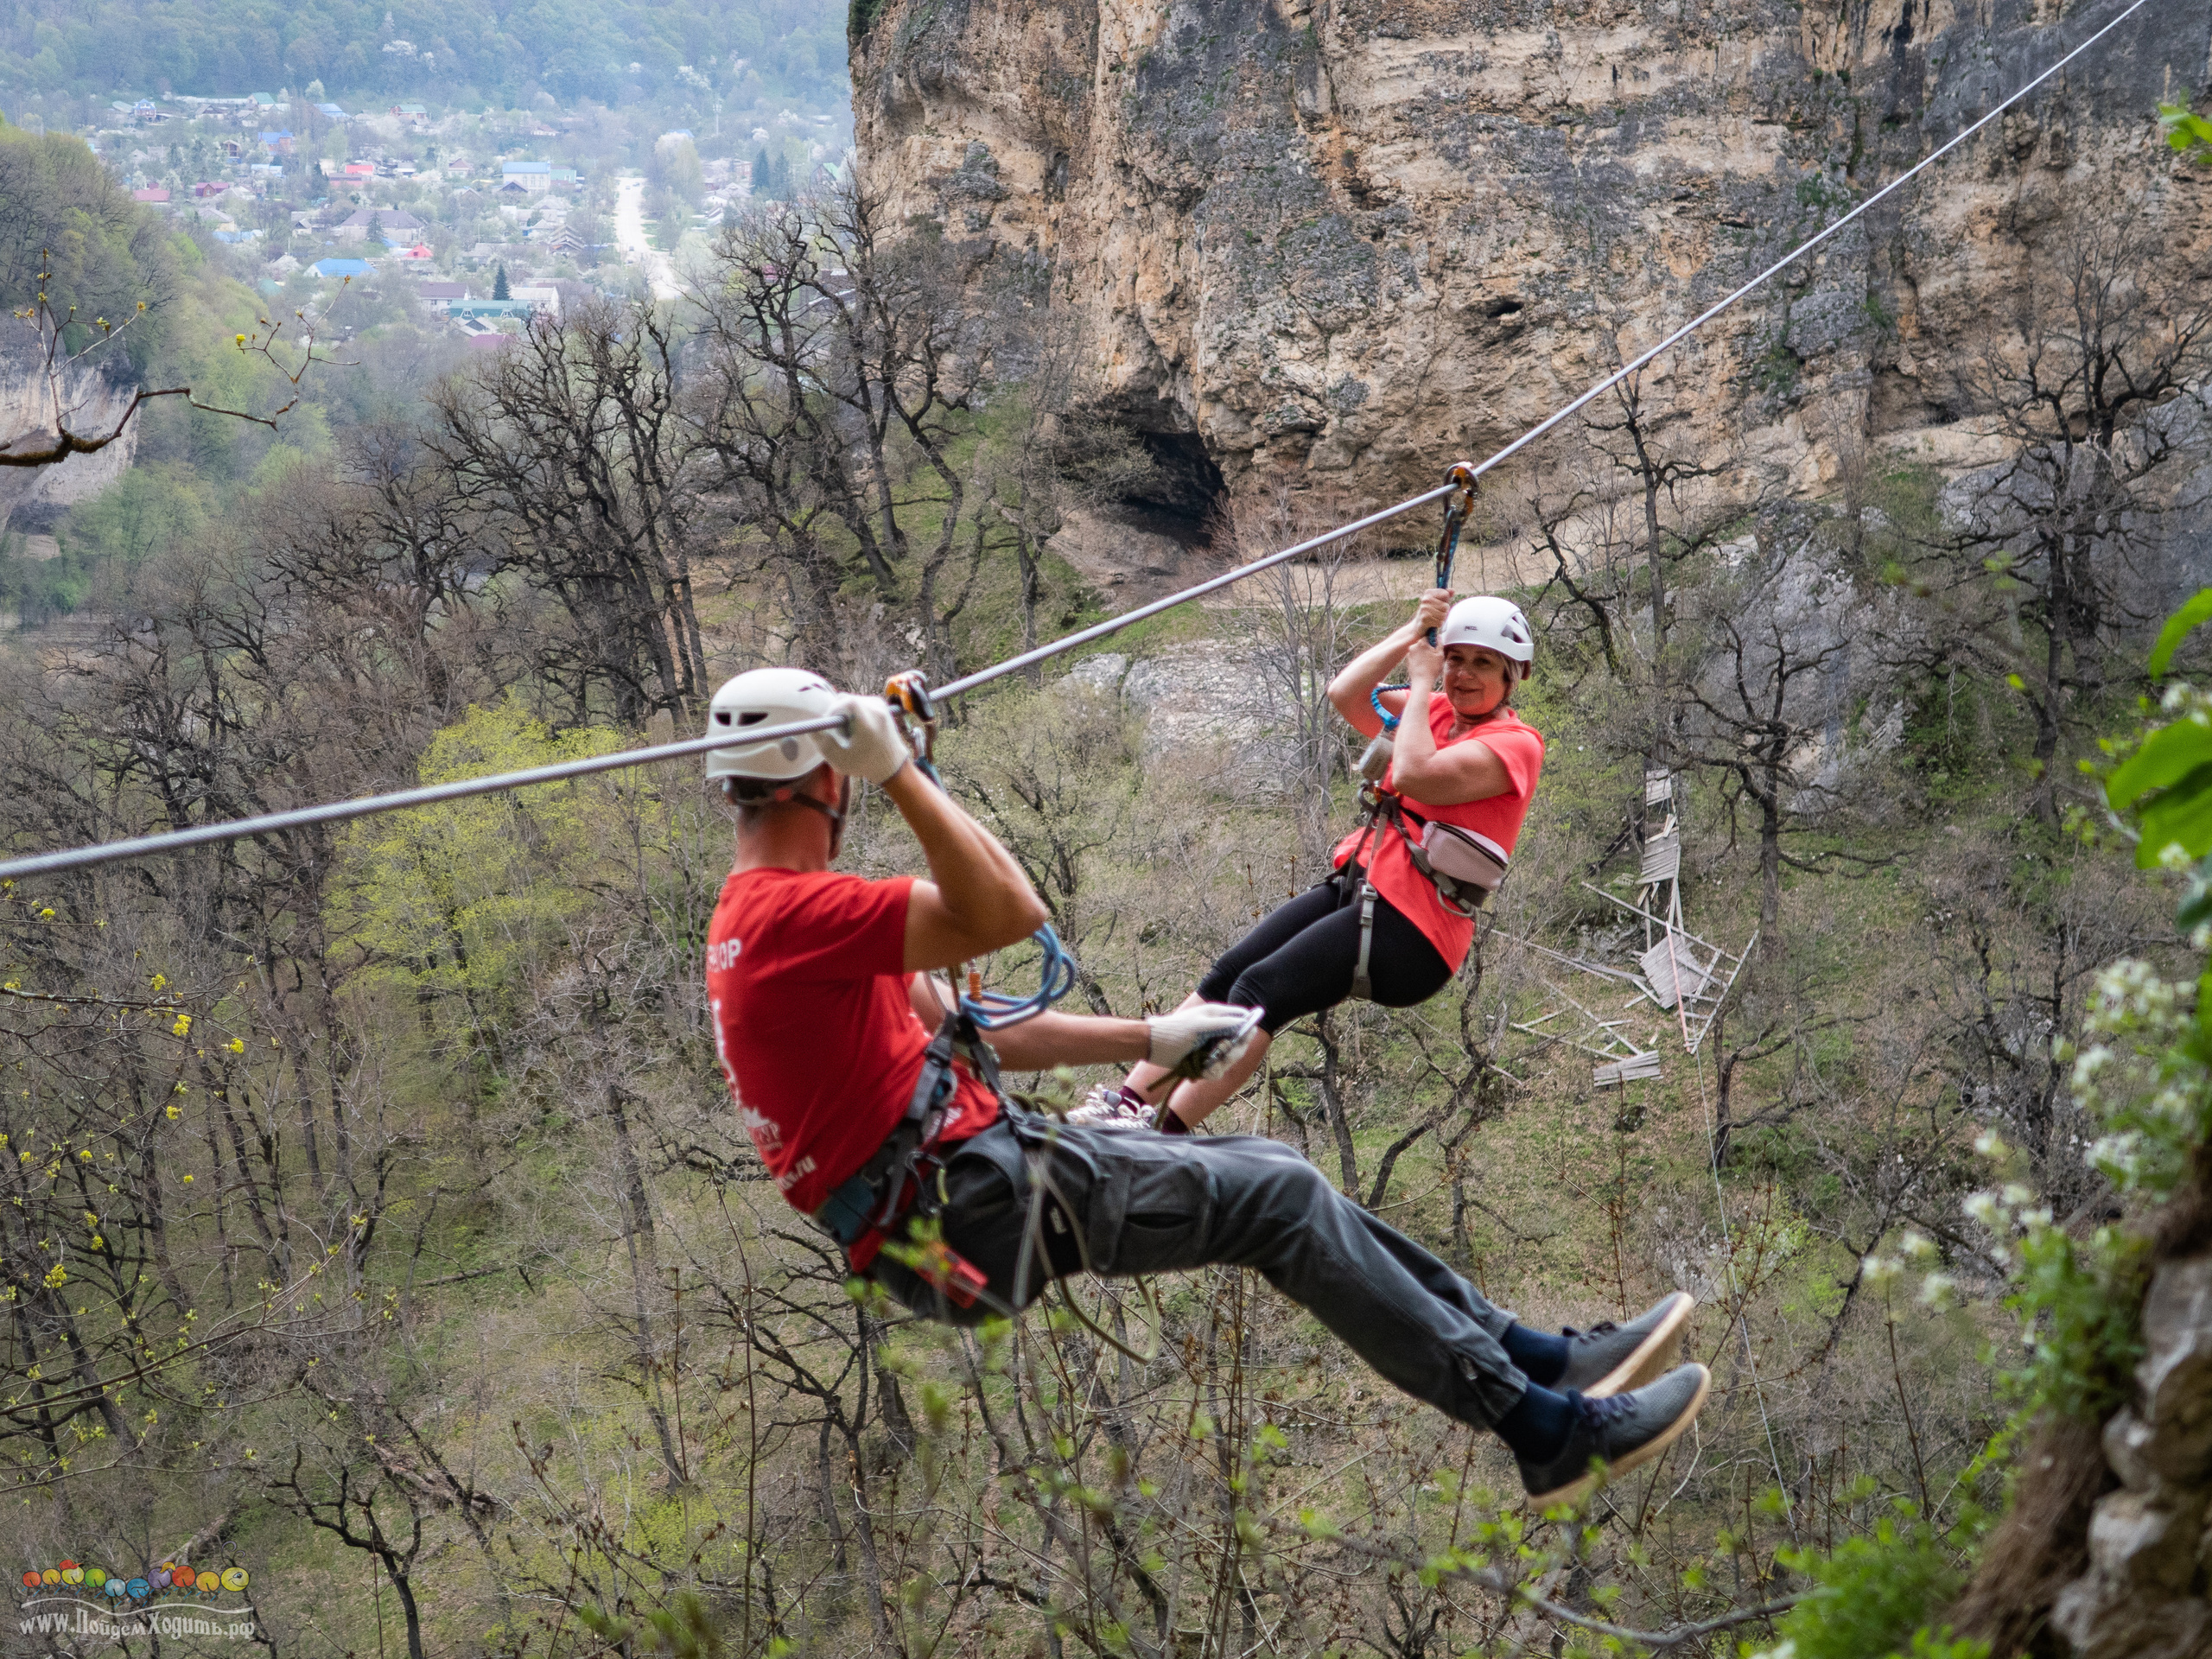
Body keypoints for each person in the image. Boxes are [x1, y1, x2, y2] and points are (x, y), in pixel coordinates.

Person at [702, 665, 1707, 1506]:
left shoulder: (771, 922)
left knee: (1275, 1172)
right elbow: (1007, 910)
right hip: (965, 1200)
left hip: (963, 1184)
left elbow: (978, 1026)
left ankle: (1535, 1357)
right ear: (823, 784)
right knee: (1276, 1202)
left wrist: (1149, 1036)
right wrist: (904, 780)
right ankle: (1544, 1428)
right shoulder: (797, 917)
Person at [1080, 590, 1544, 1134]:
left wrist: (1422, 683)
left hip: (1416, 929)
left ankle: (1161, 1136)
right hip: (1366, 888)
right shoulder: (1436, 711)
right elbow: (1346, 694)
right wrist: (1411, 631)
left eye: (1482, 663)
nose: (1463, 674)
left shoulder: (1514, 745)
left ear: (1514, 676)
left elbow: (1416, 773)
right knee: (1228, 975)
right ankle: (1126, 1104)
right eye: (1455, 659)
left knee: (1258, 994)